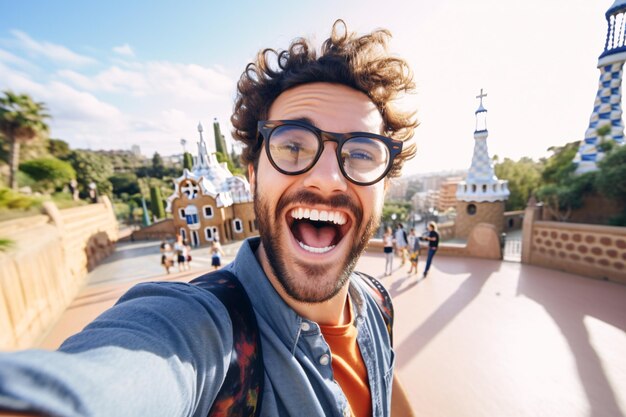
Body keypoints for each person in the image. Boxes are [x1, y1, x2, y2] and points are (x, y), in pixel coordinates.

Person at [0, 20, 418, 417]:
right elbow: (112, 379)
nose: (327, 179)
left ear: (384, 187)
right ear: (253, 175)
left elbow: (383, 381)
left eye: (362, 152)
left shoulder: (376, 303)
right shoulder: (206, 332)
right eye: (293, 146)